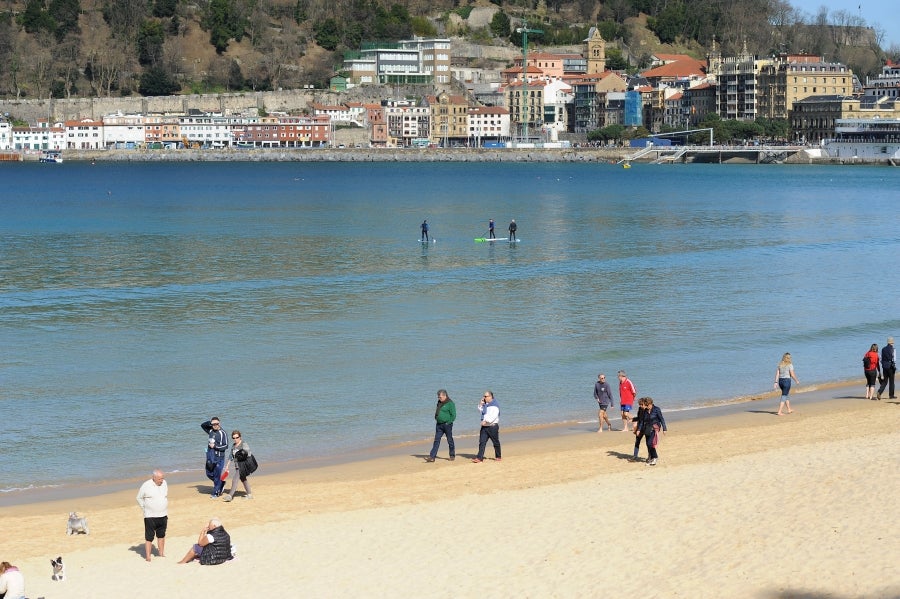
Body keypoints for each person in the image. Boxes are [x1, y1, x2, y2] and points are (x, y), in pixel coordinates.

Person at [136, 469, 169, 562]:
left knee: (161, 535)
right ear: (154, 478)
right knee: (149, 537)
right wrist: (145, 508)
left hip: (163, 514)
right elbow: (139, 498)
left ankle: (161, 554)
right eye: (159, 479)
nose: (161, 480)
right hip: (150, 516)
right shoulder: (146, 485)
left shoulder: (165, 483)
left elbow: (164, 496)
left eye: (162, 478)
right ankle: (148, 557)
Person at [222, 430, 254, 501]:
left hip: (242, 466)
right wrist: (227, 466)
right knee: (243, 479)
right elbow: (231, 456)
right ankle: (249, 495)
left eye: (237, 437)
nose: (235, 439)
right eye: (234, 438)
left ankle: (230, 496)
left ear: (240, 437)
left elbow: (249, 454)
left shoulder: (243, 444)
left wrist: (242, 454)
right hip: (237, 466)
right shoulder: (233, 446)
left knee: (235, 479)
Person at [425, 389, 456, 462]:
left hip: (447, 425)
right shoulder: (439, 402)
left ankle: (452, 455)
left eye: (440, 397)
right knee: (436, 440)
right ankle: (432, 457)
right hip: (439, 425)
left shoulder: (450, 403)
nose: (439, 398)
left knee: (449, 440)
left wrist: (448, 422)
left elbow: (453, 415)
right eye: (438, 397)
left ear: (445, 396)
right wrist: (436, 418)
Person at [201, 417, 229, 498]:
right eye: (213, 424)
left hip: (219, 458)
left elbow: (226, 446)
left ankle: (216, 493)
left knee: (217, 475)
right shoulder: (210, 431)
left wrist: (215, 446)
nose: (215, 425)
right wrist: (210, 422)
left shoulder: (222, 433)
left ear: (219, 423)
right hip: (210, 456)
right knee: (208, 473)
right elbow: (202, 425)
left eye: (217, 424)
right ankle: (221, 483)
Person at [635, 397, 667, 465]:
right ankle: (651, 457)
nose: (647, 407)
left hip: (655, 427)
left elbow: (661, 419)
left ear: (651, 403)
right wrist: (639, 430)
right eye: (646, 405)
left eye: (648, 405)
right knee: (648, 444)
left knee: (650, 443)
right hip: (647, 428)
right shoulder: (645, 411)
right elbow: (642, 421)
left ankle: (655, 457)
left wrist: (664, 429)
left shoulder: (656, 409)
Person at [472, 391, 501, 463]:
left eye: (485, 396)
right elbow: (481, 410)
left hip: (492, 426)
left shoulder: (495, 405)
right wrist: (480, 404)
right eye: (484, 396)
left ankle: (498, 456)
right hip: (484, 427)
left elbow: (494, 416)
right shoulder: (486, 404)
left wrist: (486, 421)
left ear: (490, 397)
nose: (484, 398)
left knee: (495, 442)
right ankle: (479, 458)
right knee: (482, 442)